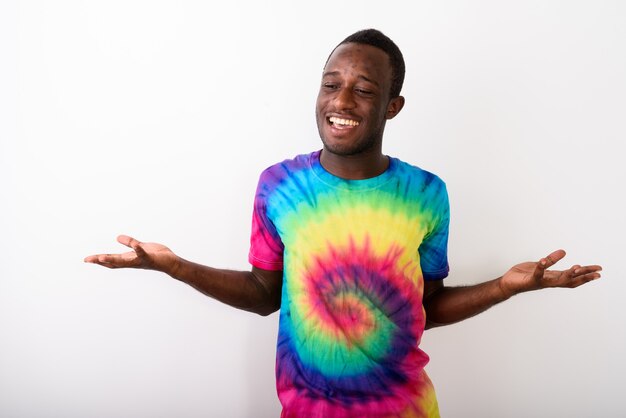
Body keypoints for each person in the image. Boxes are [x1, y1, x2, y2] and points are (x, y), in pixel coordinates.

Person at [84, 29, 602, 418]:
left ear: (392, 106)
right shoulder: (278, 186)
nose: (342, 101)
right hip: (307, 408)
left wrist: (505, 288)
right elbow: (266, 294)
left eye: (363, 89)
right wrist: (176, 267)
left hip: (405, 408)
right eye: (331, 84)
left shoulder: (426, 193)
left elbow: (424, 307)